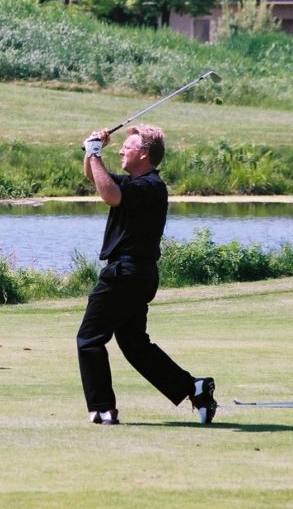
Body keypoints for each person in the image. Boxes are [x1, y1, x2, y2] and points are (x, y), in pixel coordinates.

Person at [76, 124, 217, 425]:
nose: (121, 151)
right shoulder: (134, 183)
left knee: (89, 339)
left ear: (143, 153)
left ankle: (103, 409)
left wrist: (95, 153)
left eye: (127, 147)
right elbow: (96, 179)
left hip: (125, 274)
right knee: (135, 345)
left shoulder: (150, 186)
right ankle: (194, 388)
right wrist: (91, 151)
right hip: (135, 275)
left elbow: (110, 196)